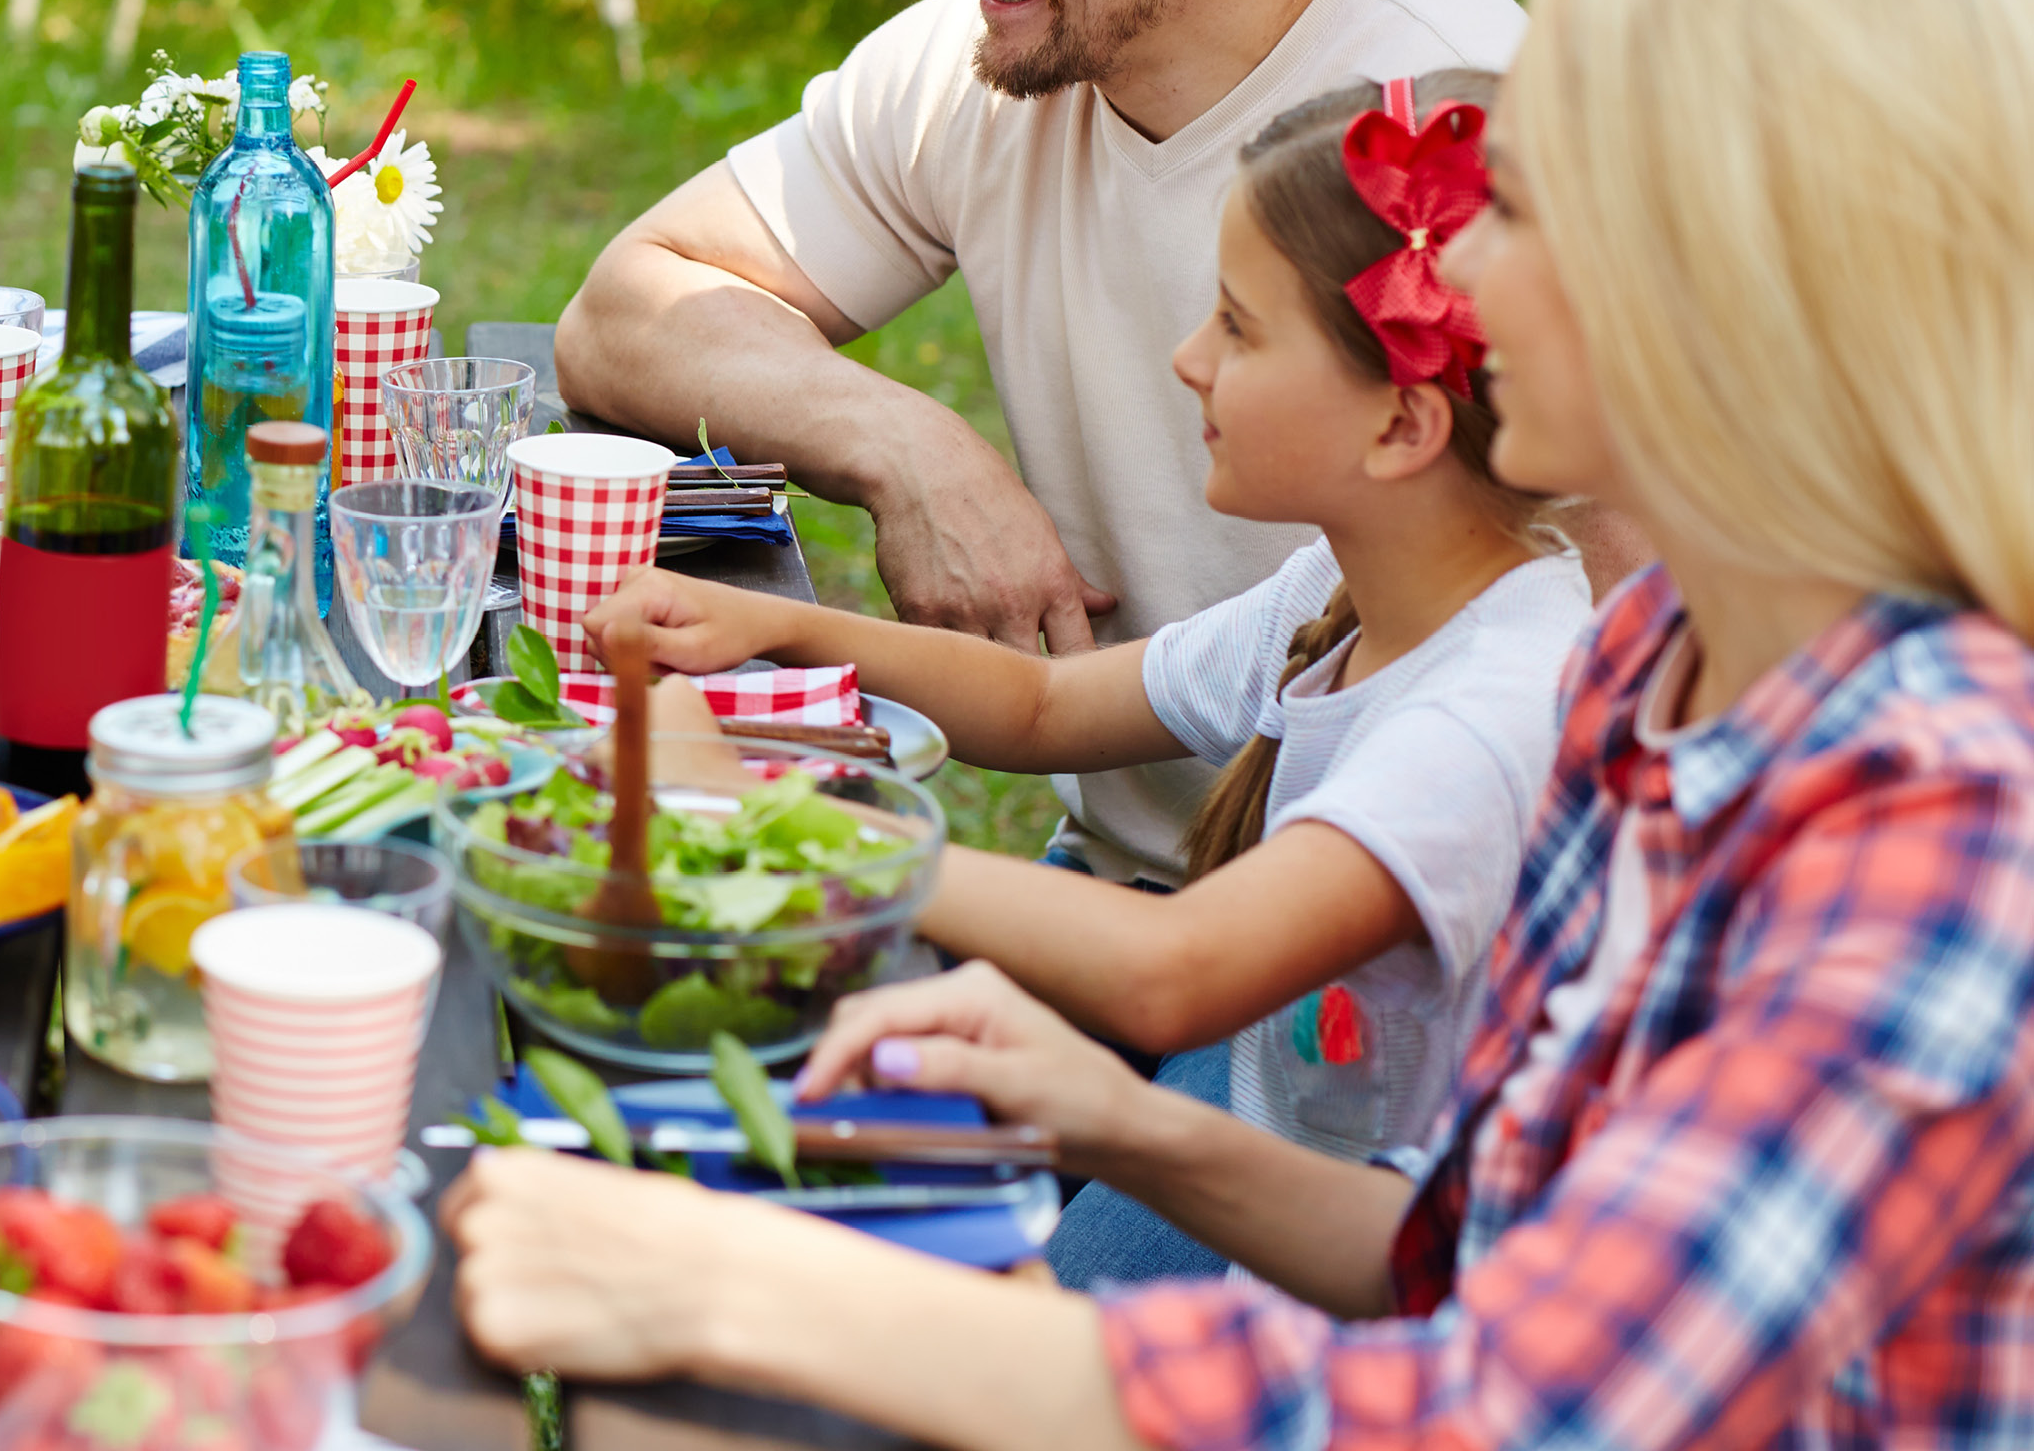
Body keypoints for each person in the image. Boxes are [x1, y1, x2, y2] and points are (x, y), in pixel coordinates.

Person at [445, 0, 2034, 1449]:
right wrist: (1115, 1120)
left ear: (1734, 291)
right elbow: (1450, 1252)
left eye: (1526, 212)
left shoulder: (1941, 823)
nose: (1454, 279)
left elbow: (1501, 1410)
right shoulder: (1657, 679)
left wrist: (737, 1291)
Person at [555, 0, 1532, 890]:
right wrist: (906, 448)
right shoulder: (994, 52)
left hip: (1400, 958)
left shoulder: (1472, 149)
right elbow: (628, 309)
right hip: (1113, 881)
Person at [597, 67, 1589, 1288]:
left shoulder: (1491, 707)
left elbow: (1173, 976)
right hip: (1271, 1149)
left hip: (1368, 1290)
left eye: (1237, 324)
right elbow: (1047, 705)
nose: (1187, 357)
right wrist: (766, 623)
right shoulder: (1346, 587)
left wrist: (761, 816)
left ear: (1401, 426)